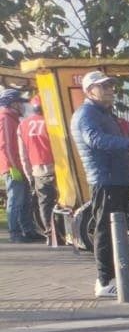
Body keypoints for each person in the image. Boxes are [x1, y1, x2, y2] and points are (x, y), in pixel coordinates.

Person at [70, 71, 129, 296]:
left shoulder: (105, 115)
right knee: (106, 231)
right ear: (89, 91)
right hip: (106, 182)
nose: (110, 90)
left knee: (117, 232)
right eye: (103, 87)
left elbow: (119, 153)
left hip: (118, 181)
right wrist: (128, 144)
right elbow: (94, 140)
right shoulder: (87, 114)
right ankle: (105, 281)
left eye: (111, 86)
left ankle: (116, 280)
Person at [2, 88, 41, 243]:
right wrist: (13, 166)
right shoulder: (5, 118)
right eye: (19, 102)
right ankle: (15, 233)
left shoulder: (13, 118)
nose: (22, 106)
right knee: (16, 201)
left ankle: (28, 230)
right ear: (12, 103)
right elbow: (5, 145)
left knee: (25, 200)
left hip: (19, 166)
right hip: (13, 167)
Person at [18, 96, 58, 245]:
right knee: (63, 201)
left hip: (38, 170)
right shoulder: (52, 122)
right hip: (57, 167)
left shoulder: (23, 125)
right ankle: (63, 231)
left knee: (44, 203)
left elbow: (23, 154)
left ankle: (50, 234)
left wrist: (29, 174)